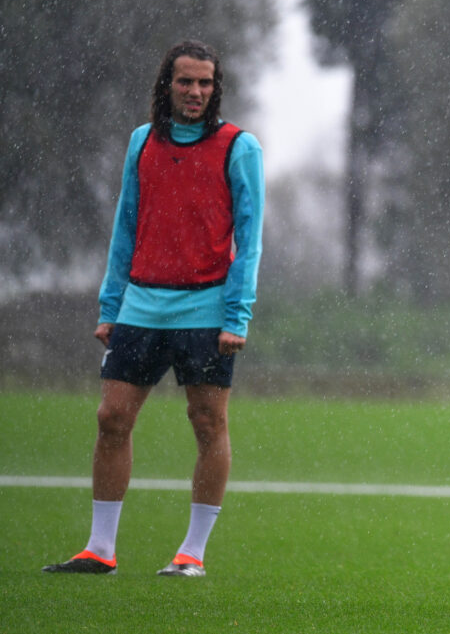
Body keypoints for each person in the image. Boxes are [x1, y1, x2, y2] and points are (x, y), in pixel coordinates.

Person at [43, 40, 265, 578]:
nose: (195, 92)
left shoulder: (240, 146)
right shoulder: (142, 142)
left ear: (216, 89)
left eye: (205, 83)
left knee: (207, 423)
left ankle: (191, 554)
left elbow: (250, 237)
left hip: (207, 312)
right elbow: (126, 226)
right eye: (185, 81)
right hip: (140, 307)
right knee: (111, 419)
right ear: (167, 85)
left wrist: (237, 317)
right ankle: (100, 549)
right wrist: (109, 305)